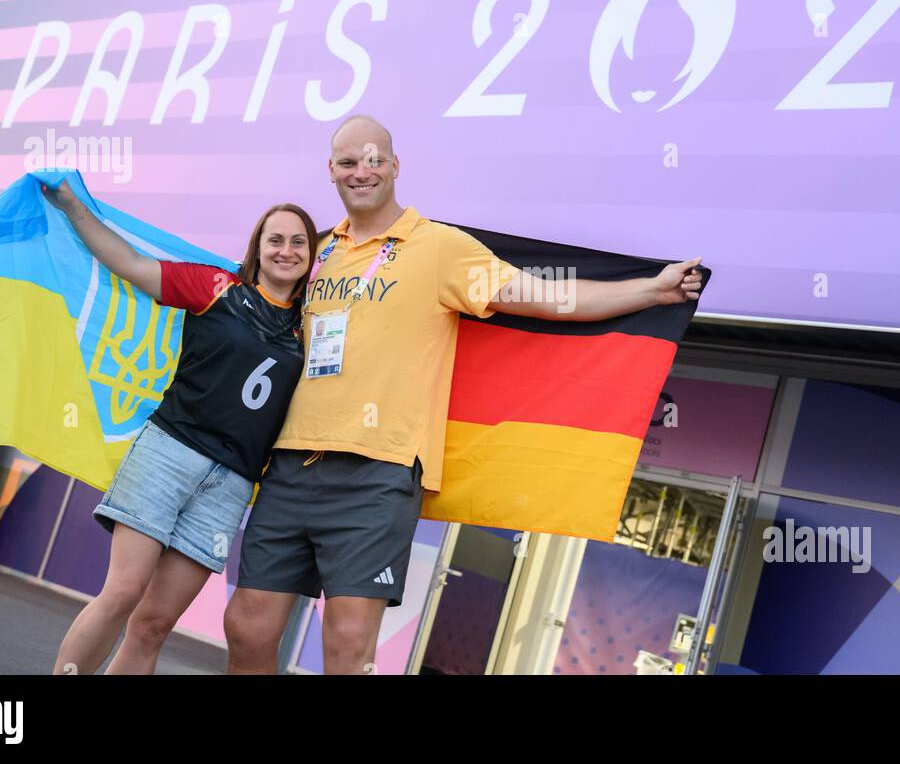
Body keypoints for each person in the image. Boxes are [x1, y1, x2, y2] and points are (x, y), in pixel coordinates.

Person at [222, 115, 702, 674]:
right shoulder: (315, 251)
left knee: (347, 642)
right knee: (247, 624)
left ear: (394, 165)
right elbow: (243, 319)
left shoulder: (442, 248)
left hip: (378, 475)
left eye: (373, 159)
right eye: (348, 162)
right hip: (289, 465)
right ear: (331, 171)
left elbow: (543, 298)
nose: (362, 171)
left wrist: (650, 289)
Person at [42, 177, 318, 674]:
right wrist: (69, 205)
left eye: (299, 242)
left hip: (231, 485)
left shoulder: (312, 326)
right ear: (257, 248)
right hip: (169, 453)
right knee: (123, 592)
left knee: (153, 624)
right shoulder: (215, 288)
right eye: (275, 239)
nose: (286, 250)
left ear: (311, 254)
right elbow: (128, 264)